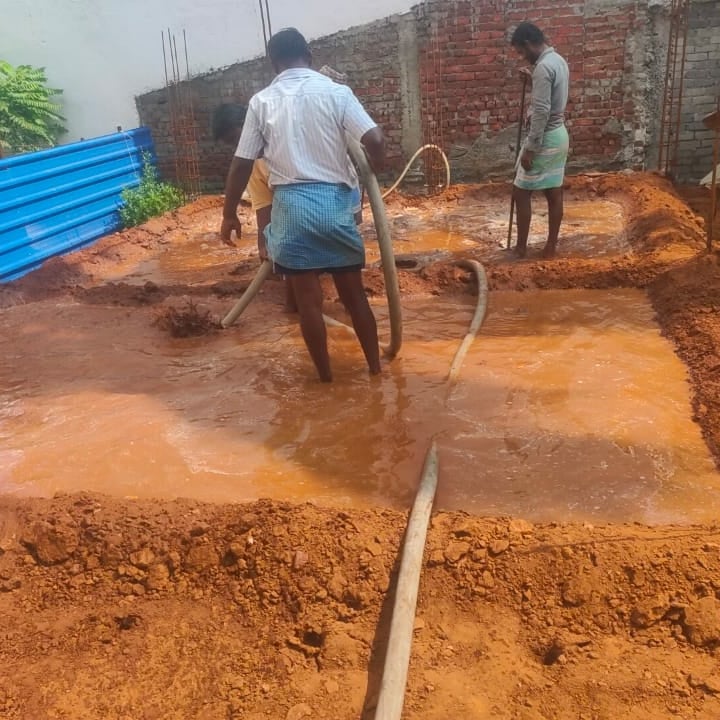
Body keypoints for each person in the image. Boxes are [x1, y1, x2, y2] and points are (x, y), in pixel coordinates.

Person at [220, 28, 385, 383]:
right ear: (308, 56)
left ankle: (325, 379)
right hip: (334, 207)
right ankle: (375, 371)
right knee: (355, 298)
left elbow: (242, 163)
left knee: (309, 304)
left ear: (273, 63)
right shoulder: (336, 92)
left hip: (292, 210)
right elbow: (375, 138)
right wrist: (376, 167)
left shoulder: (261, 102)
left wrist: (229, 213)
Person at [212, 67, 364, 314]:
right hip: (300, 212)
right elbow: (264, 207)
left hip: (337, 196)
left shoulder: (284, 135)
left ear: (247, 125)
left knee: (341, 276)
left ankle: (335, 297)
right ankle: (304, 306)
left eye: (236, 138)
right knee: (300, 288)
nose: (238, 146)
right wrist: (265, 246)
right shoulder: (253, 165)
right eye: (232, 144)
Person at [510, 22, 570, 259]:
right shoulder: (558, 61)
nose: (523, 58)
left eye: (521, 52)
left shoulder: (543, 67)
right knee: (554, 192)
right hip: (559, 134)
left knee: (521, 192)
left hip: (545, 137)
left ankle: (520, 249)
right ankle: (550, 248)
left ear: (528, 44)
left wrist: (531, 148)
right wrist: (533, 81)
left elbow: (542, 111)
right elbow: (552, 95)